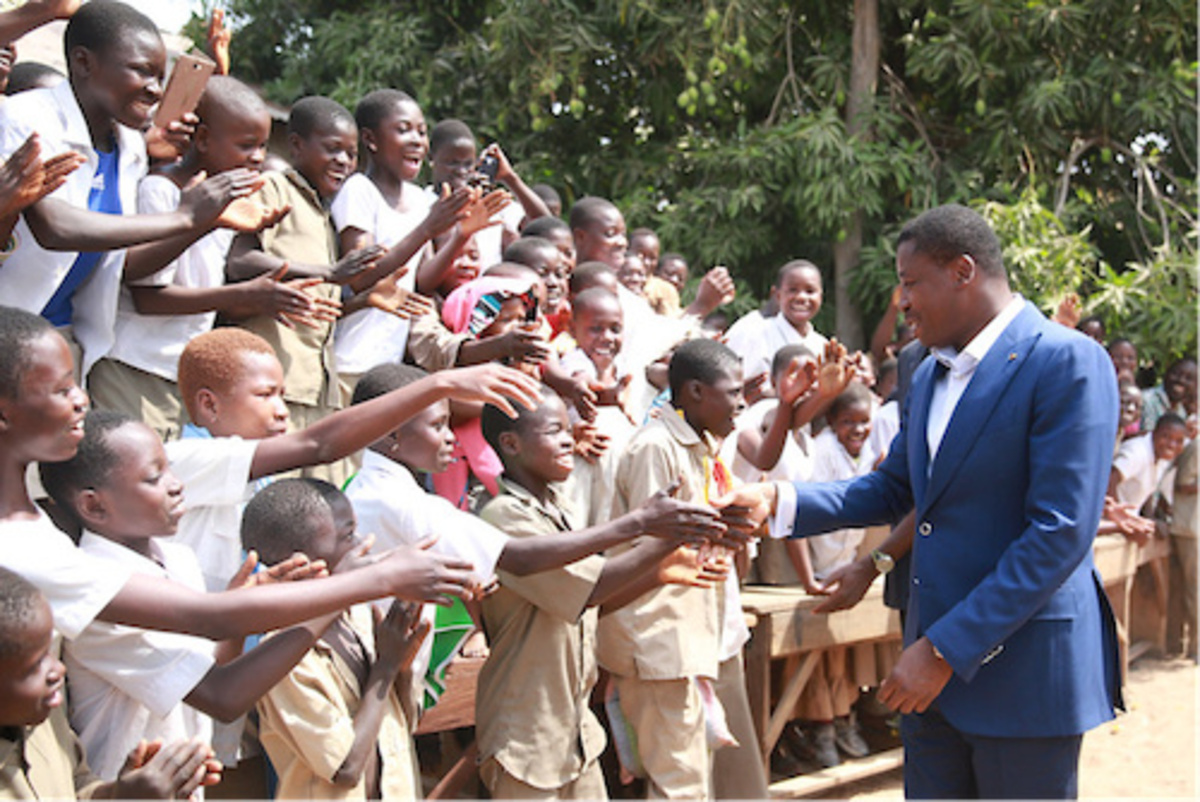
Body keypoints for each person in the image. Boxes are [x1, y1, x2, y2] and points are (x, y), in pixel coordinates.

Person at [718, 203, 1122, 799]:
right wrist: (777, 499)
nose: (901, 303)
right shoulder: (923, 368)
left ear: (963, 271)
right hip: (927, 671)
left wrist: (943, 650)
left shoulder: (1064, 361)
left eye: (911, 284)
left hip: (1020, 670)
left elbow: (1059, 533)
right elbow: (898, 488)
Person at [0, 305, 514, 650]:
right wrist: (374, 579)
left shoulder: (39, 511)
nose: (80, 399)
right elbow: (318, 444)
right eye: (60, 387)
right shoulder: (29, 541)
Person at [38, 410, 337, 782]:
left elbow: (210, 666)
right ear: (94, 506)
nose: (177, 485)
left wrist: (236, 619)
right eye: (154, 477)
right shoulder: (101, 593)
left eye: (170, 469)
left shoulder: (177, 558)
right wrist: (336, 595)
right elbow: (222, 696)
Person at [474, 389, 726, 799]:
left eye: (570, 430)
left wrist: (660, 566)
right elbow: (591, 589)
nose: (569, 441)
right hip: (526, 730)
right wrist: (646, 527)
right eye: (555, 431)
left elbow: (588, 603)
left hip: (573, 731)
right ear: (510, 443)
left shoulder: (560, 509)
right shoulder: (503, 516)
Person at [170, 325, 540, 592]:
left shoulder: (262, 478)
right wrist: (438, 384)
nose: (282, 411)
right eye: (265, 395)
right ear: (209, 404)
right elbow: (319, 445)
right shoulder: (183, 461)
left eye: (283, 395)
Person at [0, 1, 255, 380]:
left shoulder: (128, 145)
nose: (154, 90)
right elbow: (54, 227)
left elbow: (126, 259)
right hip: (9, 329)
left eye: (160, 76)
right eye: (142, 72)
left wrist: (202, 222)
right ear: (84, 63)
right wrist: (184, 216)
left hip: (64, 335)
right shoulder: (27, 118)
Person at [597, 338, 761, 800]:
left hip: (686, 636)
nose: (742, 402)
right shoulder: (657, 447)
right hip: (657, 638)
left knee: (687, 774)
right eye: (732, 392)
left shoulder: (700, 444)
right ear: (692, 393)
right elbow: (653, 545)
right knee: (679, 783)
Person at [89, 75, 293, 442]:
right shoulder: (161, 193)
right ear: (202, 140)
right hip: (135, 365)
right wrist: (245, 295)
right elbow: (147, 296)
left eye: (262, 146)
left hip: (175, 371)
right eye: (247, 145)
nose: (258, 157)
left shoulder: (223, 200)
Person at [224, 96, 378, 487]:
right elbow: (239, 262)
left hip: (317, 391)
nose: (343, 161)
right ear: (296, 146)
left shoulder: (327, 212)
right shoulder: (274, 190)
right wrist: (326, 271)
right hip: (275, 387)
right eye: (332, 149)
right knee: (272, 497)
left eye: (351, 153)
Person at [245, 479, 426, 800]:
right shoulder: (283, 654)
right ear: (300, 561)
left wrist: (401, 665)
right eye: (347, 536)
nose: (360, 546)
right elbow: (345, 768)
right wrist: (384, 668)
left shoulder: (359, 615)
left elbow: (397, 726)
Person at [0, 566, 221, 800]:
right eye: (34, 666)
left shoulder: (41, 721)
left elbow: (77, 785)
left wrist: (121, 793)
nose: (57, 670)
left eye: (49, 651)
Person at [729, 259, 828, 393]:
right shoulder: (756, 335)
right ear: (777, 295)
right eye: (792, 290)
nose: (801, 297)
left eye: (810, 291)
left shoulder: (822, 346)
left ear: (821, 296)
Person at [1108, 413, 1187, 513]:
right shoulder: (1137, 451)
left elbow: (1148, 492)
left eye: (1179, 441)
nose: (1172, 445)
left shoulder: (1161, 458)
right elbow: (1109, 480)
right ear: (1154, 433)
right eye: (1166, 436)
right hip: (1110, 518)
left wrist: (1150, 519)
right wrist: (1117, 513)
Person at [1141, 356, 1197, 434]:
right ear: (1166, 373)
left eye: (1188, 378)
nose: (1181, 380)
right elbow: (1147, 436)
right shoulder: (1147, 399)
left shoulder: (1181, 411)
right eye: (1176, 374)